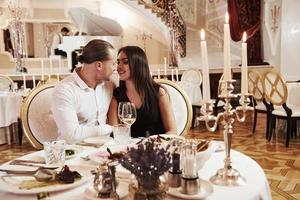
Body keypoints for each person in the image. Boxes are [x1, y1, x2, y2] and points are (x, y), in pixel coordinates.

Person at [52, 39, 116, 144]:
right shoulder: (65, 89)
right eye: (113, 64)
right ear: (99, 65)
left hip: (105, 151)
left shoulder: (109, 85)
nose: (115, 68)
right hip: (74, 153)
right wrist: (109, 128)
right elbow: (71, 135)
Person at [108, 46, 177, 137]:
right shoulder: (116, 96)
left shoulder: (159, 93)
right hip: (129, 148)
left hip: (157, 146)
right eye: (118, 62)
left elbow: (172, 131)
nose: (119, 67)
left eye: (125, 62)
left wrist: (155, 143)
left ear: (138, 64)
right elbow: (115, 133)